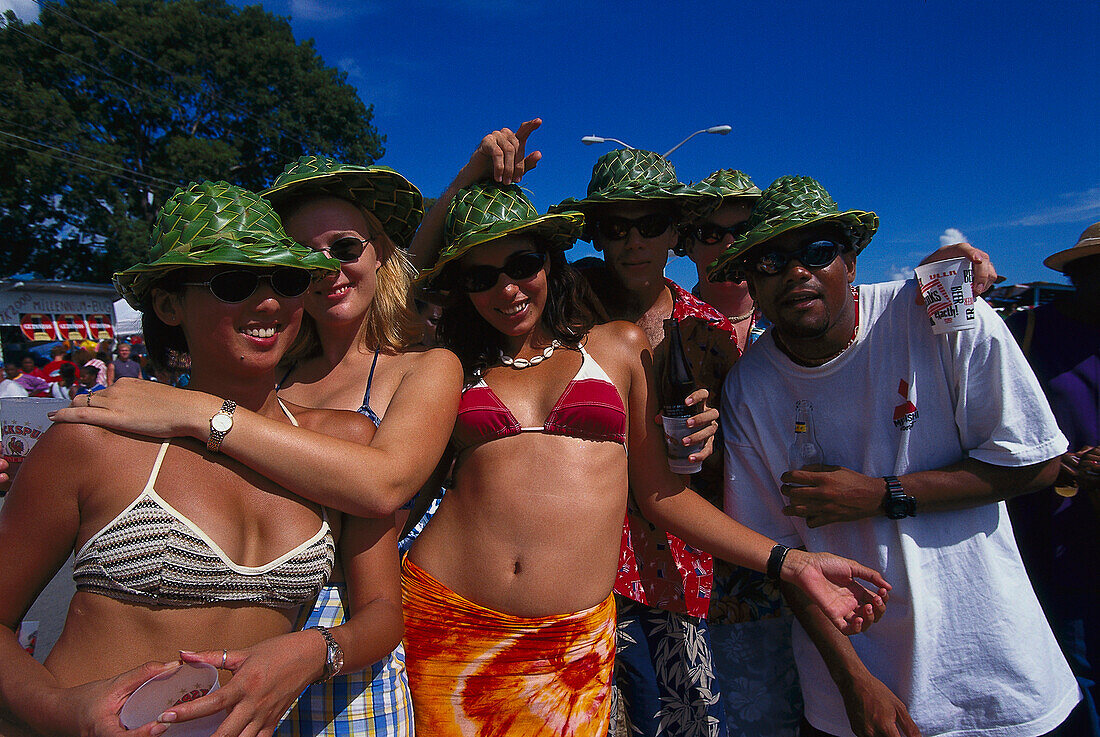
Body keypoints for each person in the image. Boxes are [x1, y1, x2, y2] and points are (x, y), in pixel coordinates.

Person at [405, 175, 890, 737]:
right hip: (446, 619)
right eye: (480, 276)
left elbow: (664, 496)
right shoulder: (450, 362)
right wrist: (468, 176)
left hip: (571, 638)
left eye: (522, 265)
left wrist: (792, 562)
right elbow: (394, 293)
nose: (507, 288)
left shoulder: (615, 346)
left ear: (551, 262)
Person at [0, 181, 404, 737]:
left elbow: (382, 611)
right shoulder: (95, 439)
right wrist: (62, 711)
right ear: (168, 303)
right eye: (233, 282)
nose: (268, 303)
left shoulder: (343, 446)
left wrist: (314, 652)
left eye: (286, 281)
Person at [712, 174, 1081, 737]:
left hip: (995, 671)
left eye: (817, 252)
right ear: (751, 284)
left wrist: (884, 494)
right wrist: (853, 683)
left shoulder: (938, 311)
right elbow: (784, 556)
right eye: (770, 261)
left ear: (852, 263)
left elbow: (1038, 464)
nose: (796, 272)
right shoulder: (748, 386)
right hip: (855, 692)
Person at [261, 154, 458, 736]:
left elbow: (385, 483)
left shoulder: (426, 367)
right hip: (247, 627)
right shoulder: (265, 375)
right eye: (305, 255)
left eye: (346, 248)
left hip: (358, 640)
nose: (329, 269)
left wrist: (209, 416)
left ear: (380, 254)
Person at [1006, 221, 1100, 737]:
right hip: (1057, 538)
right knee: (1076, 672)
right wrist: (1054, 461)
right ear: (1081, 274)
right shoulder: (1027, 332)